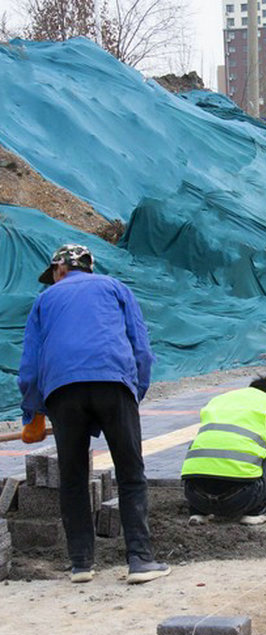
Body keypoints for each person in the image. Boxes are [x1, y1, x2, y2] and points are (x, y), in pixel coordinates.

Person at [18, 244, 170, 585]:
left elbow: (29, 366)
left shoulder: (45, 300)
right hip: (113, 384)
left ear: (60, 269)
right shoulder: (116, 288)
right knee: (130, 473)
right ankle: (140, 561)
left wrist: (33, 413)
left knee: (72, 478)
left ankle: (81, 565)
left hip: (62, 392)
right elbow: (141, 349)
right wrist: (135, 391)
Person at [181, 377, 266, 525]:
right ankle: (258, 509)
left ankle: (199, 513)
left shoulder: (218, 401)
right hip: (242, 497)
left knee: (207, 441)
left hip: (194, 495)